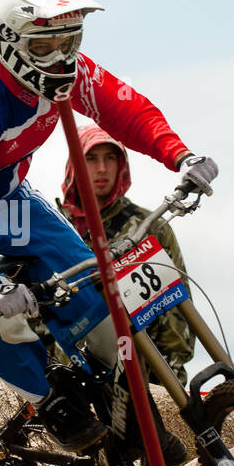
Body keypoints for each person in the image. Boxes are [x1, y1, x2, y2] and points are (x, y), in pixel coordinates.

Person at [0, 0, 217, 466]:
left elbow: (125, 109)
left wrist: (181, 155)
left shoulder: (70, 72)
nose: (62, 56)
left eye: (71, 40)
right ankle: (48, 402)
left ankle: (122, 405)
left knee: (94, 281)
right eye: (46, 46)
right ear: (9, 43)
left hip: (8, 196)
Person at [58, 124, 195, 385]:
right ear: (75, 164)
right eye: (91, 158)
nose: (102, 168)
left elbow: (177, 304)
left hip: (143, 369)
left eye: (110, 158)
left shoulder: (146, 225)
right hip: (72, 376)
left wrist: (169, 376)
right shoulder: (55, 229)